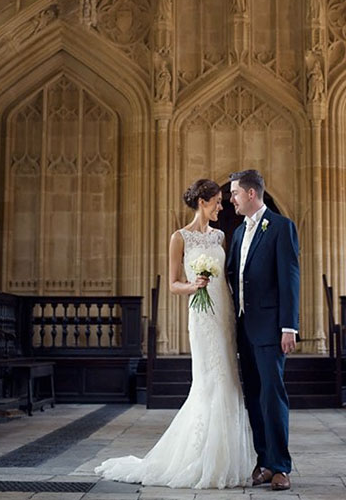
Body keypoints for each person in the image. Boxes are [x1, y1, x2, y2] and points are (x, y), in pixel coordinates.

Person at [95, 179, 254, 488]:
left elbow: (226, 280)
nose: (221, 207)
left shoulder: (221, 236)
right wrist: (193, 285)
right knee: (210, 382)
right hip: (201, 315)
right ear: (202, 202)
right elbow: (172, 283)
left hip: (224, 315)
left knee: (229, 381)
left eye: (222, 201)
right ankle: (201, 460)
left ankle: (225, 460)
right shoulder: (179, 238)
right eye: (217, 202)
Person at [227, 169, 300, 492]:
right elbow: (234, 276)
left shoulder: (281, 227)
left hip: (271, 329)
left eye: (235, 194)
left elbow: (290, 279)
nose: (231, 199)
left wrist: (289, 326)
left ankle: (282, 466)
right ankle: (265, 462)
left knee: (273, 396)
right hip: (244, 327)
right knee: (254, 398)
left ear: (251, 194)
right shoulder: (239, 232)